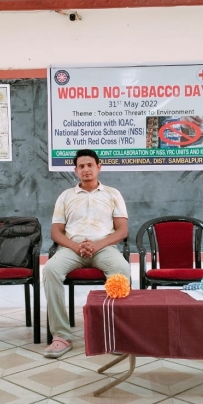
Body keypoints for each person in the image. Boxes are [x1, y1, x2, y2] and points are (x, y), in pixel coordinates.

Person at [43, 149, 130, 358]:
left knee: (122, 268)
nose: (86, 170)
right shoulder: (66, 196)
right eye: (81, 166)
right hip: (72, 249)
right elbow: (56, 231)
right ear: (76, 170)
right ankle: (61, 336)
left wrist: (97, 245)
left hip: (104, 248)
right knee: (50, 270)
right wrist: (76, 247)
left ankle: (116, 334)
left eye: (90, 165)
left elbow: (122, 230)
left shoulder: (112, 194)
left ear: (99, 167)